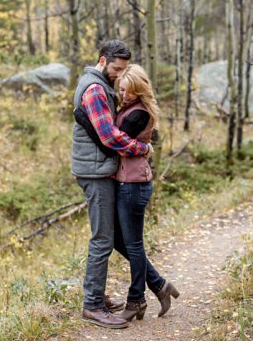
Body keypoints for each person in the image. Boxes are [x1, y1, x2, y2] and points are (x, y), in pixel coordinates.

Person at [70, 39, 150, 329]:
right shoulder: (94, 89)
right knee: (103, 238)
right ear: (102, 61)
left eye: (124, 69)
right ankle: (92, 306)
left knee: (106, 236)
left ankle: (98, 298)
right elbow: (110, 137)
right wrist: (143, 149)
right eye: (116, 68)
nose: (119, 74)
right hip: (95, 172)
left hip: (99, 169)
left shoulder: (100, 85)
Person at [110, 64, 177, 321]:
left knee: (134, 245)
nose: (125, 95)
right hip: (126, 182)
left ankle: (136, 299)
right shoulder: (128, 108)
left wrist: (83, 118)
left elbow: (116, 143)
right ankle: (159, 285)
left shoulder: (139, 113)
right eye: (123, 89)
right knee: (119, 240)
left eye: (130, 91)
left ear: (141, 91)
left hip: (134, 185)